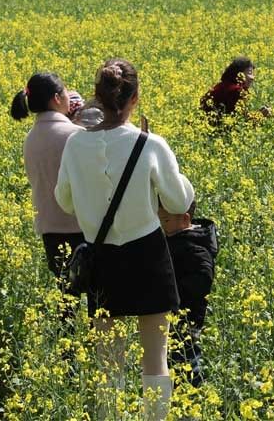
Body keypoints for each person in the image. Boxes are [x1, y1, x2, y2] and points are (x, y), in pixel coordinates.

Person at [55, 58, 194, 420]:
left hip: (101, 256)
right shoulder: (151, 144)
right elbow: (179, 202)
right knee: (155, 356)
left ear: (96, 99)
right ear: (135, 99)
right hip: (147, 253)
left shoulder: (74, 145)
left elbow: (64, 201)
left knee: (108, 360)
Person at [10, 73, 85, 284]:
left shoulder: (30, 139)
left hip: (49, 228)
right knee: (95, 299)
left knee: (64, 296)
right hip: (80, 226)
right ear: (57, 98)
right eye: (65, 92)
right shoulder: (76, 135)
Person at [159, 200, 217, 388]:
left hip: (186, 323)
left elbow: (202, 280)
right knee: (168, 366)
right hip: (170, 321)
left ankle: (191, 406)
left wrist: (171, 292)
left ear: (185, 219)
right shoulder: (175, 239)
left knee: (188, 365)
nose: (161, 223)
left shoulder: (195, 248)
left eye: (165, 220)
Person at [200, 56, 271, 122]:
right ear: (239, 74)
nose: (252, 78)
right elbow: (241, 121)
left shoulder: (222, 85)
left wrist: (258, 114)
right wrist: (261, 115)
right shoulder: (236, 90)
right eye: (249, 73)